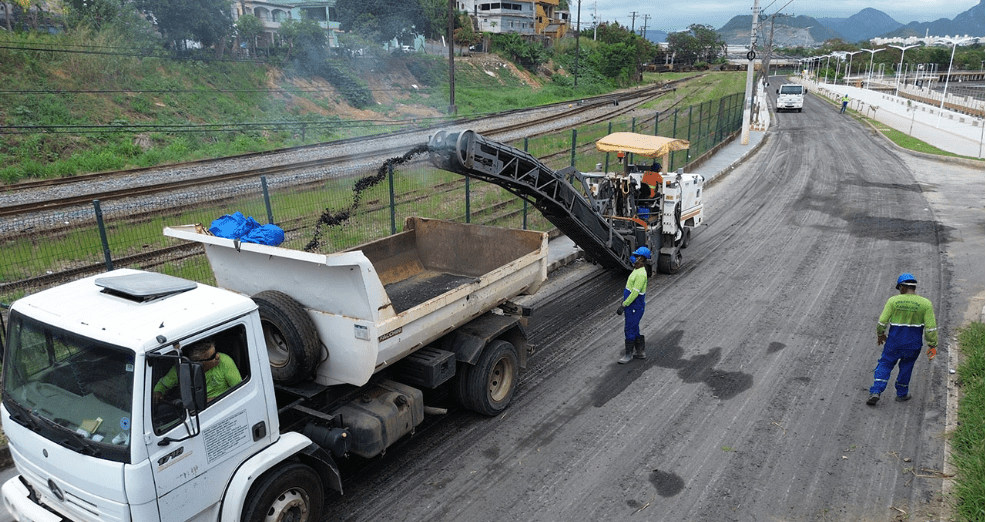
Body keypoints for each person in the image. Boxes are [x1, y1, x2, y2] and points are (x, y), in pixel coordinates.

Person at [866, 273, 937, 406]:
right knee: (906, 367)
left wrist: (880, 334)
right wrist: (932, 345)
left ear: (903, 288)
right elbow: (931, 328)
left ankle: (876, 391)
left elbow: (882, 322)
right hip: (913, 345)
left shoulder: (893, 301)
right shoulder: (926, 304)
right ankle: (902, 394)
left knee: (885, 364)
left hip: (894, 342)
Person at [154, 339, 242, 403]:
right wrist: (158, 392)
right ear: (199, 362)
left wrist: (213, 400)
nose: (218, 356)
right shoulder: (181, 368)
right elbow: (163, 385)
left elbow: (239, 390)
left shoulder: (224, 361)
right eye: (213, 356)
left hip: (222, 404)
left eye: (216, 352)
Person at [615, 247, 651, 363]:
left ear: (641, 258)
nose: (633, 257)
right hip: (633, 306)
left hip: (635, 306)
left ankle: (628, 355)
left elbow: (635, 293)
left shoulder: (641, 274)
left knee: (629, 328)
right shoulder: (637, 270)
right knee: (634, 327)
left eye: (636, 256)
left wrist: (624, 304)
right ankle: (640, 352)